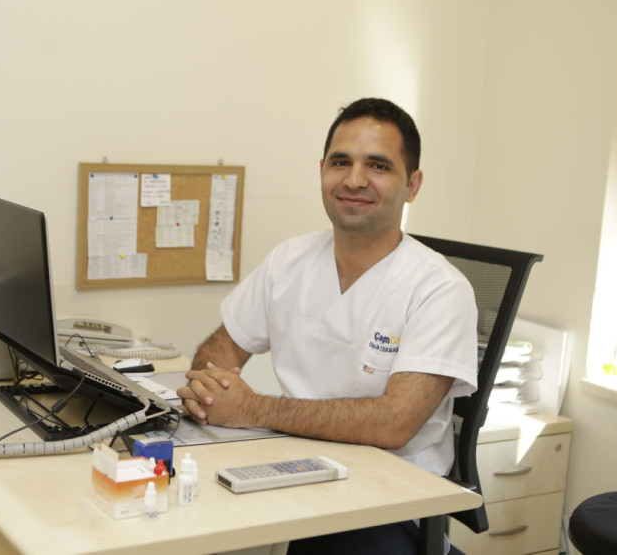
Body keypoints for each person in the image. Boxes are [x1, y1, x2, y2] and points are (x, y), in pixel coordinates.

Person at [177, 97, 478, 554]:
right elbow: (224, 345)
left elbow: (393, 424)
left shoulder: (438, 289)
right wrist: (209, 388)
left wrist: (251, 409)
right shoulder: (289, 260)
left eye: (378, 165)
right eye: (341, 162)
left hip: (388, 505)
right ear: (322, 171)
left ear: (412, 185)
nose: (354, 179)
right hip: (295, 471)